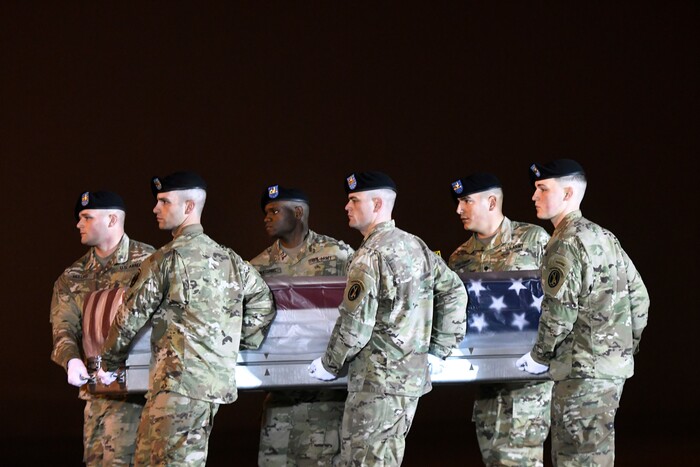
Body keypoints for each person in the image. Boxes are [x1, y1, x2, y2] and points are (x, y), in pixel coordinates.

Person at [97, 171, 277, 466]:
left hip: (176, 386)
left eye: (165, 202)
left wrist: (108, 362)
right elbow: (263, 303)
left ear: (189, 206)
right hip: (205, 386)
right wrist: (229, 345)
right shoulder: (230, 260)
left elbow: (130, 316)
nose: (156, 208)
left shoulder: (166, 259)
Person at [308, 171, 468, 466]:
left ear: (377, 204)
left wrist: (330, 363)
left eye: (355, 200)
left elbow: (355, 327)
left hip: (376, 384)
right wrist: (438, 349)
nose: (347, 206)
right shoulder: (416, 246)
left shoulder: (369, 255)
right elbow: (454, 291)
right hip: (407, 381)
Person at [517, 159, 650, 465]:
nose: (534, 196)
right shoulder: (605, 237)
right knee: (596, 456)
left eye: (542, 188)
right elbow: (640, 299)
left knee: (575, 458)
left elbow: (559, 312)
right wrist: (622, 348)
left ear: (567, 193)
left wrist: (539, 356)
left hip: (580, 373)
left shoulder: (564, 242)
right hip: (609, 372)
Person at [447, 172, 553, 466]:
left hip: (527, 383)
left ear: (491, 202)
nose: (459, 209)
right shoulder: (459, 258)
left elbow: (561, 299)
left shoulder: (533, 240)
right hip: (487, 383)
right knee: (494, 458)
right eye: (458, 202)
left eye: (466, 201)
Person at [252, 184, 355, 466]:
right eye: (265, 212)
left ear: (298, 213)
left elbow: (360, 309)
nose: (267, 217)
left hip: (326, 394)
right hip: (281, 394)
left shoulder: (339, 255)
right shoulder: (257, 267)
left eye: (274, 211)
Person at [50, 190, 155, 466]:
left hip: (140, 399)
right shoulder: (73, 276)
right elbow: (63, 328)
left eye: (87, 217)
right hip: (96, 398)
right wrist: (71, 359)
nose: (78, 224)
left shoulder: (151, 263)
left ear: (111, 219)